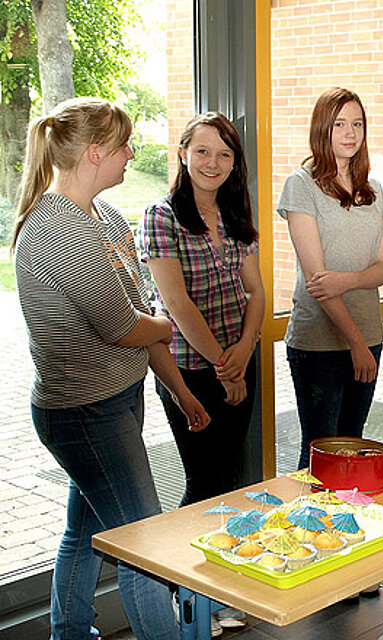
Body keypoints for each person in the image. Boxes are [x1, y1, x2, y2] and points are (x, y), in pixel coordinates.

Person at [13, 97, 210, 640]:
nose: (131, 153)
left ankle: (69, 631)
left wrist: (180, 392)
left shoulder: (106, 218)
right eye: (124, 144)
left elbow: (139, 321)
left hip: (117, 402)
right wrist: (172, 325)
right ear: (95, 152)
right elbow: (127, 328)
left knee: (85, 528)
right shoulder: (59, 233)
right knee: (144, 543)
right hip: (83, 415)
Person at [140, 113, 264, 633]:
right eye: (204, 151)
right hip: (190, 371)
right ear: (184, 154)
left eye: (225, 154)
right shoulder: (161, 215)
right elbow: (176, 304)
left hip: (241, 356)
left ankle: (221, 587)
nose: (213, 163)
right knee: (203, 481)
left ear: (235, 164)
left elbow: (256, 292)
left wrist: (242, 352)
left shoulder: (235, 214)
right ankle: (186, 593)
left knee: (231, 478)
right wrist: (222, 363)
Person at [278, 88, 383, 472]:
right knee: (320, 454)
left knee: (353, 447)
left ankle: (343, 531)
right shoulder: (301, 185)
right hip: (318, 344)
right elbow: (317, 282)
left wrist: (345, 280)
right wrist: (355, 342)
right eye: (340, 124)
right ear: (322, 129)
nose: (350, 133)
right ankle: (305, 531)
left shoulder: (372, 191)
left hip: (369, 336)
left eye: (357, 124)